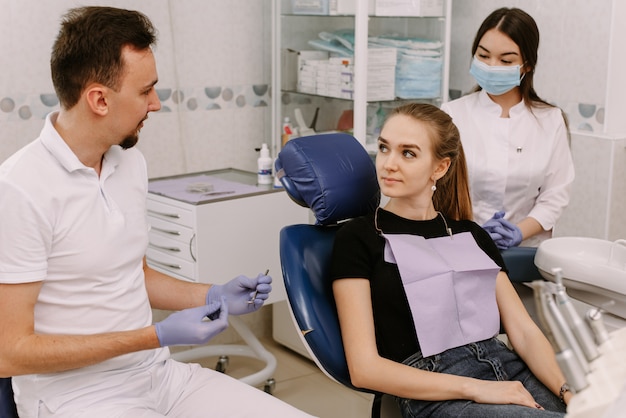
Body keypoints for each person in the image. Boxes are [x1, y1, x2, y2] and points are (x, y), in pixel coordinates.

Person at [0, 6, 313, 418]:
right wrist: (155, 334)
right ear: (99, 99)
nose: (157, 103)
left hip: (158, 376)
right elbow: (11, 353)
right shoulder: (20, 189)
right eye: (145, 90)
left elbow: (136, 275)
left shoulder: (129, 163)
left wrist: (212, 294)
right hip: (75, 396)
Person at [330, 103, 571, 417]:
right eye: (384, 148)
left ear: (440, 168)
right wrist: (477, 388)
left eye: (408, 153)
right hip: (437, 388)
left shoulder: (471, 234)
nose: (388, 164)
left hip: (509, 368)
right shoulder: (359, 238)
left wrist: (570, 392)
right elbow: (365, 368)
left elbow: (524, 332)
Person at [440, 7, 575, 249]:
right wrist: (475, 233)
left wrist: (518, 232)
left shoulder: (550, 120)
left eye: (506, 60)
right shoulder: (452, 114)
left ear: (526, 65)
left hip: (526, 252)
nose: (492, 66)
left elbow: (555, 196)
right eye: (483, 56)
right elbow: (438, 190)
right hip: (461, 245)